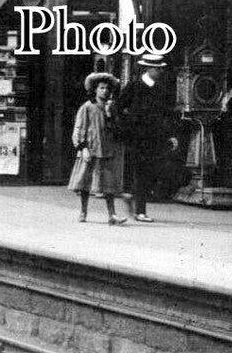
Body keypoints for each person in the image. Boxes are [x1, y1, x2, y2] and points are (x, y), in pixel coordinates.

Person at [116, 53, 180, 223]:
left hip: (154, 136)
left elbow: (166, 113)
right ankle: (140, 210)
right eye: (157, 69)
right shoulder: (134, 85)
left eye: (160, 68)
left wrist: (171, 134)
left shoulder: (161, 88)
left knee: (148, 171)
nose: (160, 71)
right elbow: (118, 106)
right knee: (141, 171)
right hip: (136, 136)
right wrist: (127, 126)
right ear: (148, 68)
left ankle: (131, 197)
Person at [68, 72, 127, 225]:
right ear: (95, 89)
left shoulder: (111, 108)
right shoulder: (87, 107)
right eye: (101, 88)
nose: (105, 91)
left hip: (107, 150)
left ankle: (112, 215)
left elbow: (117, 129)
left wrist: (109, 115)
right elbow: (79, 128)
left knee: (109, 185)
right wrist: (82, 147)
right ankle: (83, 211)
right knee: (85, 183)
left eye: (107, 88)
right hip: (91, 148)